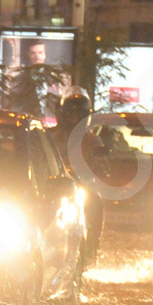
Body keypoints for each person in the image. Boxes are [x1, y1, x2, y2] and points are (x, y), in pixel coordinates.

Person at [49, 87, 105, 264]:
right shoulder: (49, 137)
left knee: (96, 203)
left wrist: (99, 168)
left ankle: (91, 248)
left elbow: (101, 166)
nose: (74, 118)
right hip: (52, 188)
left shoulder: (93, 141)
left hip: (82, 188)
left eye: (79, 114)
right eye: (71, 113)